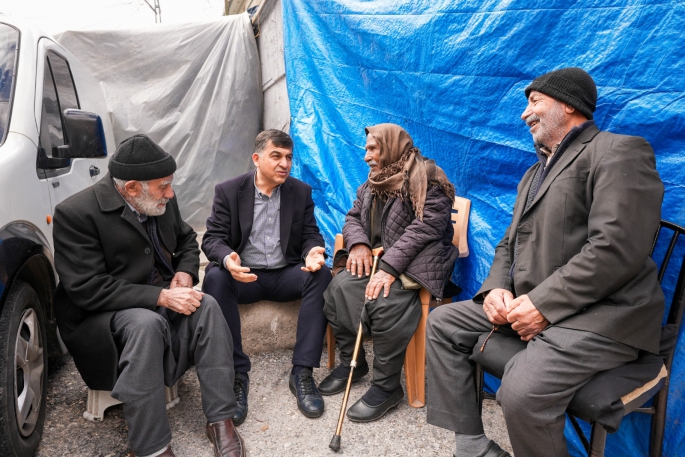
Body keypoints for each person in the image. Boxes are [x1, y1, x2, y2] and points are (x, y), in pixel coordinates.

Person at [426, 67, 665, 457]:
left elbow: (616, 248)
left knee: (520, 392)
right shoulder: (534, 173)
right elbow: (508, 243)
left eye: (534, 101)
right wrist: (497, 289)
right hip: (534, 303)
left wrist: (542, 304)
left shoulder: (619, 150)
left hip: (603, 316)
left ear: (568, 104)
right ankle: (471, 446)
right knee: (442, 322)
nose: (525, 113)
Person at [53, 135, 245, 457]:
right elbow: (87, 287)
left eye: (170, 185)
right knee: (145, 324)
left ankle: (220, 420)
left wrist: (184, 274)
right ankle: (151, 447)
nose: (170, 193)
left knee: (207, 305)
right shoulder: (75, 214)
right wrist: (161, 297)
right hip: (100, 318)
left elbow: (186, 241)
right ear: (131, 188)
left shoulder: (158, 198)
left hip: (154, 300)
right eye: (163, 187)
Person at [321, 123, 459, 422]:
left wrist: (388, 268)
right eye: (366, 149)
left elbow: (426, 228)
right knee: (339, 288)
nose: (366, 156)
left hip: (419, 262)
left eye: (373, 148)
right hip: (381, 259)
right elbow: (353, 216)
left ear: (392, 146)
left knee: (384, 301)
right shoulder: (373, 182)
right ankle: (353, 362)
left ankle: (387, 386)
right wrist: (357, 245)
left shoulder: (427, 178)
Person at [202, 129, 331, 422]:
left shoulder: (300, 191)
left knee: (321, 275)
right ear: (257, 159)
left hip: (285, 274)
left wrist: (313, 251)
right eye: (276, 156)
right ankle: (236, 376)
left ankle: (302, 372)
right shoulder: (229, 191)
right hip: (245, 276)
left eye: (288, 157)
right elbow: (212, 238)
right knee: (215, 277)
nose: (284, 163)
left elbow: (311, 233)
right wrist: (227, 258)